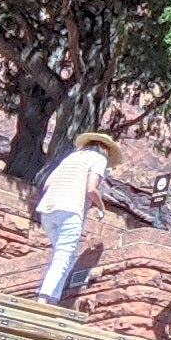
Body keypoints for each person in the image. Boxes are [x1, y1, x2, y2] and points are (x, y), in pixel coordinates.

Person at [32, 130, 119, 304]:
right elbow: (92, 189)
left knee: (63, 254)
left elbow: (47, 183)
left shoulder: (70, 158)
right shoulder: (98, 159)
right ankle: (44, 297)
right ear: (105, 150)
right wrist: (101, 208)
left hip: (48, 209)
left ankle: (54, 297)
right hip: (71, 210)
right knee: (63, 255)